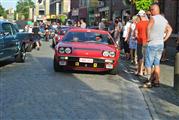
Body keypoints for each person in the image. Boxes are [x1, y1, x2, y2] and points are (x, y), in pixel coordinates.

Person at [143, 3, 172, 88]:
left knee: (148, 64)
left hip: (152, 44)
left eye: (151, 10)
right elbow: (170, 29)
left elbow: (148, 27)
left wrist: (148, 38)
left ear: (154, 9)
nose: (150, 12)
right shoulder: (164, 19)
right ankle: (156, 81)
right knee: (156, 63)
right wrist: (164, 39)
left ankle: (149, 81)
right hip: (160, 44)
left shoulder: (153, 18)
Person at [135, 10, 149, 76]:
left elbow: (136, 34)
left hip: (140, 42)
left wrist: (136, 37)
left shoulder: (138, 24)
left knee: (140, 57)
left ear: (140, 16)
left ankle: (140, 71)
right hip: (147, 42)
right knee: (146, 57)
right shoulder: (149, 23)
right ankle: (145, 71)